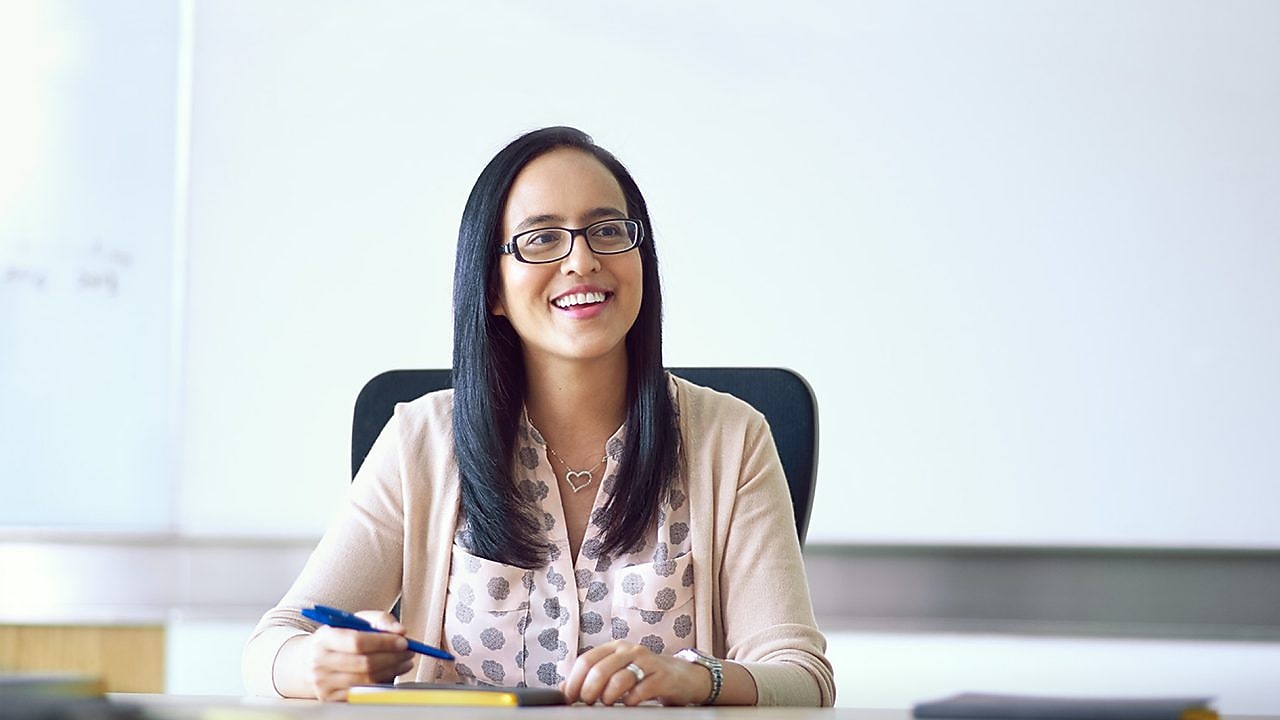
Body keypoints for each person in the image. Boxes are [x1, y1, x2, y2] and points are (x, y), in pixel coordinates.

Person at [242, 126, 835, 706]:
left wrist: (693, 678)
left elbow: (802, 676)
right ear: (492, 288)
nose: (581, 260)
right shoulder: (422, 441)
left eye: (606, 231)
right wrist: (318, 662)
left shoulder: (731, 440)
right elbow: (274, 643)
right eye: (542, 239)